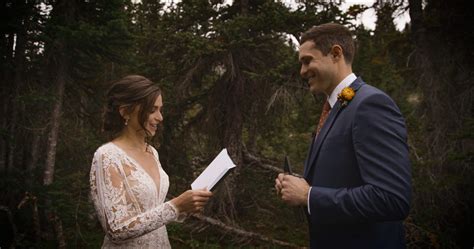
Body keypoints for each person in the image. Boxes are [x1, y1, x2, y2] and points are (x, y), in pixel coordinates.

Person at [274, 23, 411, 249]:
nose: (302, 71)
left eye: (307, 60)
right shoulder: (341, 104)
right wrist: (297, 185)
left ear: (336, 53)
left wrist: (309, 195)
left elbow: (391, 198)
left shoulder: (370, 104)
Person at [90, 75, 213, 248]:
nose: (160, 117)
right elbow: (115, 230)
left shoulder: (152, 152)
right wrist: (175, 206)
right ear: (125, 111)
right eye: (152, 110)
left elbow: (151, 209)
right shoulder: (107, 156)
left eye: (160, 109)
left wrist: (185, 208)